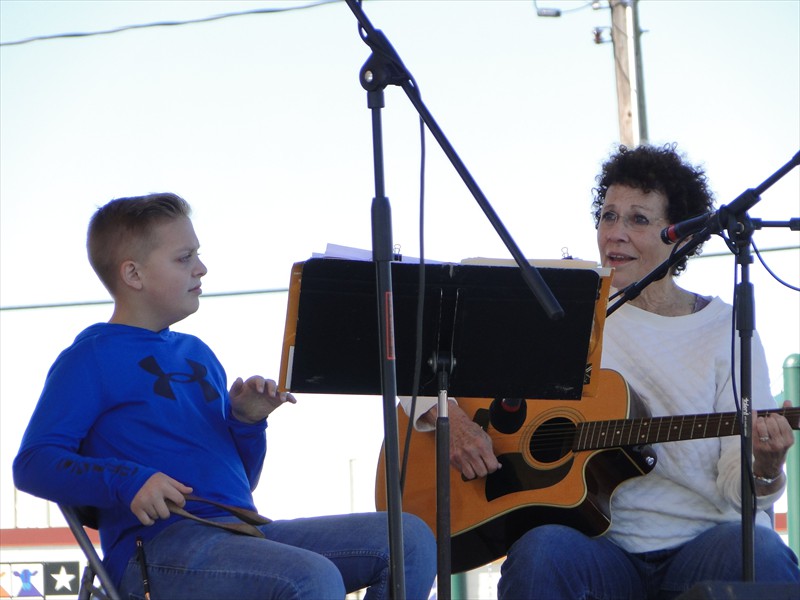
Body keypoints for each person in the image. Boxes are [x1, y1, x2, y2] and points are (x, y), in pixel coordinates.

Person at [410, 144, 799, 598]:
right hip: (597, 546)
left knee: (764, 550)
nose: (615, 234)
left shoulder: (725, 328)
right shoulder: (568, 309)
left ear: (684, 236)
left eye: (638, 219)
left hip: (703, 545)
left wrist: (767, 467)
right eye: (608, 216)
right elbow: (413, 362)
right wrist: (451, 422)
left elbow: (742, 488)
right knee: (539, 551)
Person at [13, 193, 437, 600]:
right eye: (184, 258)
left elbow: (240, 486)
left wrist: (247, 423)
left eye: (197, 254)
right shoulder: (90, 357)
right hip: (158, 551)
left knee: (409, 539)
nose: (202, 268)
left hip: (240, 532)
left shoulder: (198, 353)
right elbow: (32, 464)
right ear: (133, 275)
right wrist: (128, 479)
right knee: (310, 576)